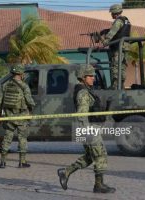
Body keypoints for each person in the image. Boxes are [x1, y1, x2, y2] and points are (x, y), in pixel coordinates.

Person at [57, 64, 116, 193]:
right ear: (83, 77)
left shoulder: (86, 90)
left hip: (89, 128)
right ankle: (98, 185)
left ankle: (66, 172)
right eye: (90, 76)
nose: (93, 78)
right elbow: (82, 115)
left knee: (91, 156)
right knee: (100, 155)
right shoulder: (83, 93)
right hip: (89, 129)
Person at [0, 64, 35, 168]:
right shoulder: (24, 86)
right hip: (22, 117)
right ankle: (22, 162)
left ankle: (3, 162)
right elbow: (29, 101)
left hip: (9, 117)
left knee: (7, 138)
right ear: (21, 74)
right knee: (22, 138)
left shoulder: (4, 85)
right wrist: (32, 108)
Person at [101, 4, 131, 89]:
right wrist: (105, 31)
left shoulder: (118, 21)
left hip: (119, 47)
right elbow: (122, 32)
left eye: (111, 13)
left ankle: (116, 86)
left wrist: (105, 41)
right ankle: (120, 85)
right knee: (122, 67)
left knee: (116, 66)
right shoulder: (126, 20)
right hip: (126, 47)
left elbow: (112, 32)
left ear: (115, 13)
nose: (111, 15)